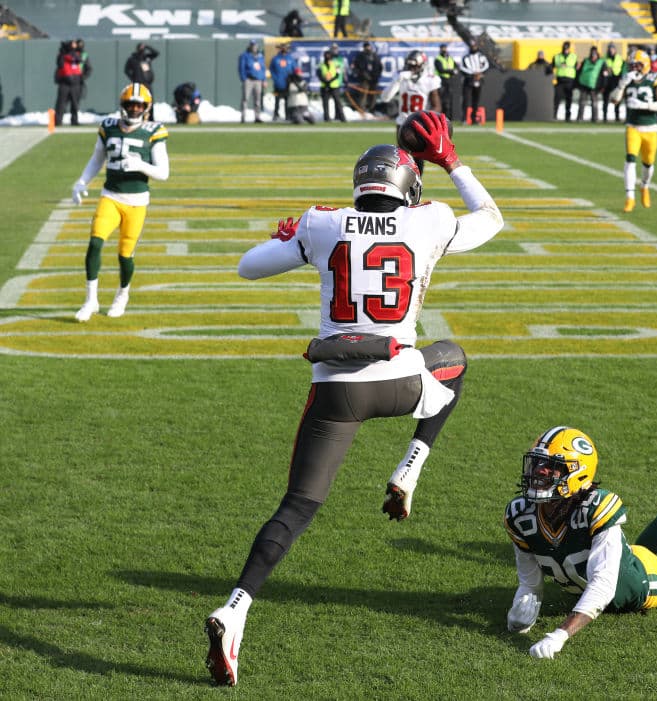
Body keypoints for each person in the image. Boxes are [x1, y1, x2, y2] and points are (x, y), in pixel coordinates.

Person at [204, 114, 504, 687]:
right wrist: (453, 161)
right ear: (407, 188)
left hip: (335, 392)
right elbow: (492, 218)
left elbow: (246, 268)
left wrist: (283, 238)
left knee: (296, 507)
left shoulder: (322, 223)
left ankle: (235, 608)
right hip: (400, 380)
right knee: (454, 359)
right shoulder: (432, 221)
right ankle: (410, 469)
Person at [504, 428, 657, 660]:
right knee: (634, 554)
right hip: (624, 564)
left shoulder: (596, 507)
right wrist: (522, 614)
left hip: (643, 584)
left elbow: (604, 586)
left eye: (552, 467)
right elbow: (530, 584)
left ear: (577, 473)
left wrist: (560, 634)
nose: (540, 472)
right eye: (538, 463)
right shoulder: (520, 515)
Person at [70, 84, 169, 322]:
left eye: (139, 105)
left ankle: (122, 294)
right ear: (122, 105)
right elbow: (97, 159)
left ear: (146, 108)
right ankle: (90, 300)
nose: (134, 109)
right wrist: (81, 182)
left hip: (137, 202)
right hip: (110, 196)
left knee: (125, 255)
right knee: (95, 242)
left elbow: (164, 172)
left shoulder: (153, 131)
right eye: (130, 104)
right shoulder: (109, 127)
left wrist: (139, 165)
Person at [610, 50, 657, 212]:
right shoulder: (628, 79)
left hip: (650, 127)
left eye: (637, 65)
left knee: (648, 163)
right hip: (632, 126)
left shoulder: (655, 78)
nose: (634, 68)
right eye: (632, 65)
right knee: (630, 159)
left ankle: (645, 186)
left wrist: (644, 106)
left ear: (646, 64)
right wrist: (621, 85)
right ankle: (630, 198)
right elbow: (614, 100)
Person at [381, 50, 441, 171]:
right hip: (402, 124)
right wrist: (397, 80)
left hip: (419, 125)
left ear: (421, 66)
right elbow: (385, 98)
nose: (411, 68)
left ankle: (417, 185)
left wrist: (425, 120)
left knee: (418, 158)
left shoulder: (429, 79)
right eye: (409, 65)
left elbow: (437, 106)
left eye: (414, 66)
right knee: (403, 158)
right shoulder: (402, 77)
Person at [54, 39, 86, 127]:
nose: (75, 45)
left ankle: (74, 120)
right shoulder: (62, 55)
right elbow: (61, 65)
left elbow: (80, 61)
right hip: (65, 83)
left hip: (76, 83)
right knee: (61, 103)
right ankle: (58, 121)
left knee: (75, 103)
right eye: (73, 44)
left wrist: (81, 78)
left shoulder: (77, 54)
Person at [459, 39, 490, 124]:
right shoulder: (465, 57)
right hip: (468, 80)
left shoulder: (481, 56)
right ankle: (464, 119)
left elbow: (486, 66)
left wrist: (479, 73)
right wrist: (473, 73)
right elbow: (462, 68)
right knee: (466, 100)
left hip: (478, 80)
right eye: (472, 46)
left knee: (476, 100)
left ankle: (474, 119)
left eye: (475, 46)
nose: (473, 48)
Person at [238, 39, 266, 124]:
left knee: (257, 99)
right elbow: (241, 68)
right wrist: (244, 78)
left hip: (258, 80)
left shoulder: (260, 56)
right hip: (249, 79)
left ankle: (257, 117)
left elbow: (263, 68)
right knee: (245, 98)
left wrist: (263, 79)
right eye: (252, 46)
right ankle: (243, 116)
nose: (254, 47)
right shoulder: (245, 56)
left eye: (255, 46)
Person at [317, 47, 347, 122]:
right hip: (325, 86)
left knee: (338, 102)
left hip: (334, 86)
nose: (328, 58)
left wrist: (329, 81)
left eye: (329, 56)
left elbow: (337, 74)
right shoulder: (321, 65)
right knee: (325, 103)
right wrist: (325, 82)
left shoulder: (336, 64)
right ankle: (326, 118)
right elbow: (319, 75)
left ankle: (341, 117)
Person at [575, 46, 604, 123]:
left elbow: (603, 75)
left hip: (594, 86)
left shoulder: (601, 62)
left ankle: (595, 118)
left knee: (594, 103)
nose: (593, 56)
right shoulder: (586, 61)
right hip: (584, 84)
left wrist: (602, 86)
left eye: (594, 54)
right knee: (582, 102)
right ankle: (580, 118)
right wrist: (578, 83)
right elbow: (579, 71)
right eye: (592, 53)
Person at [352, 42, 383, 112]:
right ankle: (361, 109)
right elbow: (357, 67)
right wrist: (364, 75)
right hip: (364, 79)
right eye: (366, 47)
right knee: (363, 94)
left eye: (369, 47)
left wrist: (376, 76)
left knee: (373, 95)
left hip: (374, 79)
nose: (368, 48)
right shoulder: (360, 56)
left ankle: (372, 109)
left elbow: (380, 67)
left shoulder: (375, 55)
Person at [269, 42, 296, 121]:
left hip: (287, 83)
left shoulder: (290, 58)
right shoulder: (275, 58)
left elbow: (295, 69)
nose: (285, 49)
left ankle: (288, 115)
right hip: (278, 83)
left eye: (286, 48)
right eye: (283, 48)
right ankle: (276, 114)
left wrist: (292, 79)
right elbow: (272, 70)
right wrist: (275, 78)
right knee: (277, 100)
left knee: (287, 100)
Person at [552, 41, 578, 122]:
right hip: (560, 80)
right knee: (557, 98)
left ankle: (568, 116)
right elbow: (551, 65)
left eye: (567, 48)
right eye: (564, 48)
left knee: (568, 99)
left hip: (570, 81)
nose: (565, 49)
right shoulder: (557, 56)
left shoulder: (573, 56)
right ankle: (554, 115)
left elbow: (577, 68)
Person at [600, 44, 624, 123]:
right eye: (610, 49)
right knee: (605, 100)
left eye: (612, 49)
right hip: (607, 80)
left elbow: (622, 69)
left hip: (616, 80)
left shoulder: (619, 58)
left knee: (616, 99)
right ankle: (604, 117)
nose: (611, 50)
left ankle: (617, 117)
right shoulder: (604, 58)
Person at [434, 43, 458, 120]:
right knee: (442, 101)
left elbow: (456, 66)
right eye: (442, 48)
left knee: (449, 100)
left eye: (445, 48)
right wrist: (451, 71)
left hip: (449, 81)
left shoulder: (450, 58)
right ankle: (441, 117)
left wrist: (455, 70)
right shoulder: (438, 59)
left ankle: (449, 118)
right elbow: (440, 69)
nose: (444, 50)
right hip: (441, 81)